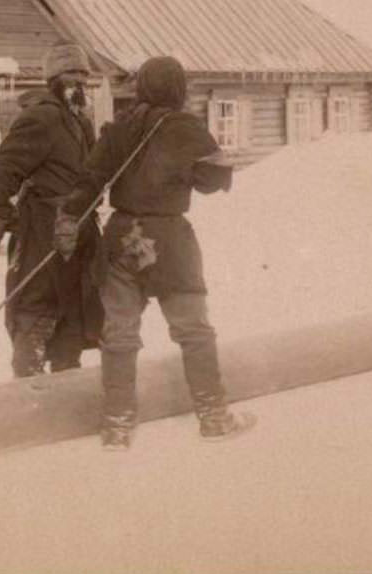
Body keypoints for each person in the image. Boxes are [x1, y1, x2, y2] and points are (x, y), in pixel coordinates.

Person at [55, 55, 254, 450]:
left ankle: (116, 426)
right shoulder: (186, 127)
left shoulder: (119, 127)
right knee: (193, 330)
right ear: (178, 89)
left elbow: (91, 179)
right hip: (171, 243)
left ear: (142, 87)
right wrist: (218, 164)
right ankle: (213, 416)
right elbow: (210, 182)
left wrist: (69, 217)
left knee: (119, 335)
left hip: (122, 238)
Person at [0, 43, 104, 376]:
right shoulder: (41, 117)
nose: (81, 83)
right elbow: (3, 169)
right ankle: (27, 386)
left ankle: (65, 383)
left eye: (84, 76)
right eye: (72, 75)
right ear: (55, 81)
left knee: (73, 309)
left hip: (79, 232)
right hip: (42, 233)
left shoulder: (80, 122)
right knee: (36, 308)